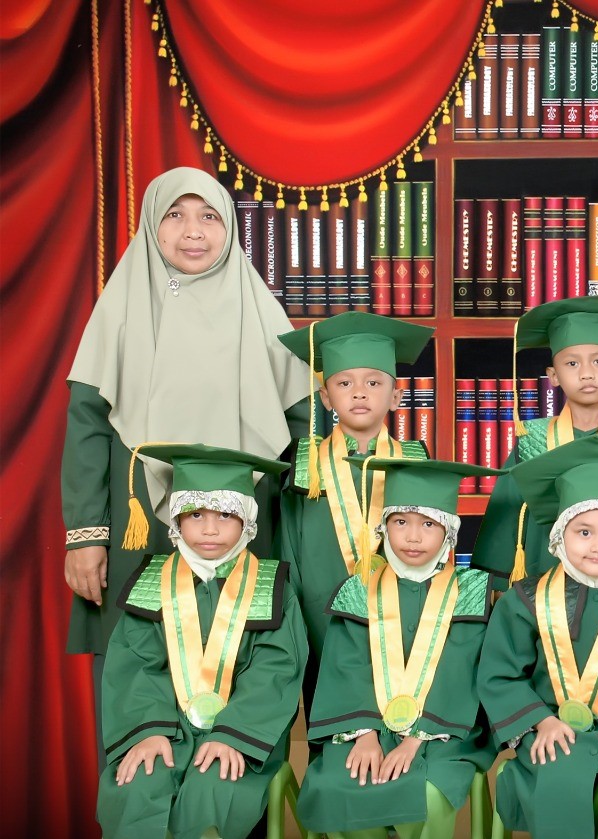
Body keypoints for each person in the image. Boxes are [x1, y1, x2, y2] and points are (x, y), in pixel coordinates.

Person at [62, 167, 308, 732]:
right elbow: (86, 427)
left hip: (244, 529)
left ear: (230, 229)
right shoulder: (121, 311)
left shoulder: (259, 313)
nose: (192, 230)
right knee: (134, 674)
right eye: (174, 215)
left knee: (243, 668)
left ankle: (232, 784)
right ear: (152, 225)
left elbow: (303, 434)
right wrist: (86, 536)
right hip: (140, 526)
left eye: (209, 216)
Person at [96, 444, 307, 839]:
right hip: (167, 729)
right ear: (176, 518)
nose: (210, 529)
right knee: (138, 784)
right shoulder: (151, 584)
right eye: (195, 514)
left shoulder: (272, 588)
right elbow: (134, 665)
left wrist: (233, 734)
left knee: (212, 790)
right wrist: (148, 731)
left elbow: (276, 671)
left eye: (225, 514)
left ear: (247, 519)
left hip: (242, 736)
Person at [476, 435, 598, 838]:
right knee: (560, 779)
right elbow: (500, 674)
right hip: (549, 732)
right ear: (559, 536)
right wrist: (539, 721)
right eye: (584, 532)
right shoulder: (524, 600)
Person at [297, 458, 501, 839]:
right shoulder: (359, 589)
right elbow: (346, 666)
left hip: (444, 732)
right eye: (401, 522)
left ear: (449, 530)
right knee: (337, 784)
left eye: (429, 524)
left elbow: (461, 673)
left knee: (426, 791)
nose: (413, 537)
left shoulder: (471, 591)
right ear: (384, 526)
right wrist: (365, 735)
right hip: (367, 725)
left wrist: (415, 740)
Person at [276, 311, 433, 693]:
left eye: (373, 382)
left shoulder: (416, 462)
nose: (359, 392)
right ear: (326, 397)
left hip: (403, 623)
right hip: (319, 619)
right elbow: (288, 553)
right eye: (344, 382)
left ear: (396, 396)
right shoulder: (304, 466)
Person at [472, 297, 598, 589]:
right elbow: (505, 519)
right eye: (572, 363)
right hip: (539, 586)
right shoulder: (531, 441)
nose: (586, 373)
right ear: (553, 376)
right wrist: (495, 587)